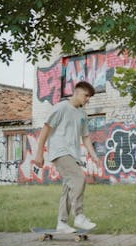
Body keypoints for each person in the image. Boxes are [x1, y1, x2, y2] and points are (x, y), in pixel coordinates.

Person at [35, 81, 99, 233]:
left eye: (89, 97)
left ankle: (62, 223)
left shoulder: (82, 113)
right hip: (60, 151)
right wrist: (39, 154)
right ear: (76, 92)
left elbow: (86, 137)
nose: (88, 99)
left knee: (69, 187)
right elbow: (46, 129)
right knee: (79, 179)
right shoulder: (61, 108)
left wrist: (94, 155)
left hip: (73, 154)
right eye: (86, 95)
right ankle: (79, 215)